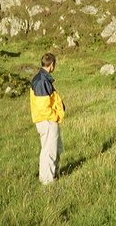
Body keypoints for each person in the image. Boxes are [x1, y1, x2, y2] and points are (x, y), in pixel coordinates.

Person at [30, 53, 65, 184]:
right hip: (47, 120)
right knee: (50, 150)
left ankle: (51, 175)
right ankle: (48, 181)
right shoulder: (42, 80)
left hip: (47, 119)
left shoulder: (41, 78)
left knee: (54, 148)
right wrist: (55, 116)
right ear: (52, 65)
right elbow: (43, 107)